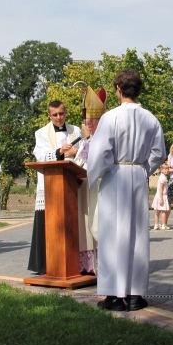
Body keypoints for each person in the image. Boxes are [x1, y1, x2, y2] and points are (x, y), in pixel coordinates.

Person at [87, 68, 166, 312]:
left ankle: (114, 295)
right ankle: (135, 294)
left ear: (118, 89)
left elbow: (100, 153)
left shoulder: (110, 117)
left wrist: (95, 175)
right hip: (137, 176)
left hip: (115, 176)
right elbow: (159, 153)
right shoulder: (150, 118)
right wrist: (143, 170)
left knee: (112, 235)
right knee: (136, 235)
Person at [29, 101, 81, 274]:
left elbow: (84, 150)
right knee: (49, 221)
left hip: (74, 182)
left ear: (65, 113)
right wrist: (59, 151)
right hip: (51, 183)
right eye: (55, 115)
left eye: (62, 114)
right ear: (49, 115)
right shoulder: (41, 133)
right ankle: (45, 264)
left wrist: (75, 153)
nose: (59, 118)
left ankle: (75, 263)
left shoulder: (76, 131)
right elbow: (40, 155)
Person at [73, 86, 107, 275]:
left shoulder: (100, 138)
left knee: (98, 225)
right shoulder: (90, 139)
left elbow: (91, 159)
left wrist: (87, 139)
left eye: (89, 122)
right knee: (90, 224)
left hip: (98, 187)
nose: (87, 125)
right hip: (85, 186)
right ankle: (91, 265)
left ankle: (102, 266)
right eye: (86, 122)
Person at [151, 163, 171, 230]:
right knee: (164, 211)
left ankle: (156, 224)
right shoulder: (163, 178)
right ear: (161, 170)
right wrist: (161, 198)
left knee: (158, 211)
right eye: (165, 169)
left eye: (167, 169)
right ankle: (163, 224)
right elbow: (161, 188)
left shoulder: (162, 176)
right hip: (162, 196)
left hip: (159, 196)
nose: (167, 170)